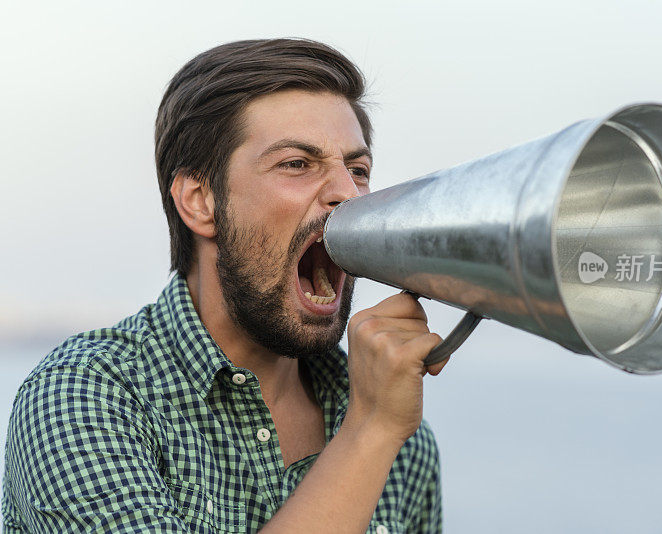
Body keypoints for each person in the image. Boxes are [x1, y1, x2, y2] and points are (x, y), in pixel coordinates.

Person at [2, 38, 448, 533]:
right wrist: (369, 432)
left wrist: (377, 426)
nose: (348, 192)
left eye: (358, 169)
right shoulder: (84, 399)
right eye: (297, 163)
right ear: (199, 201)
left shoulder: (404, 444)